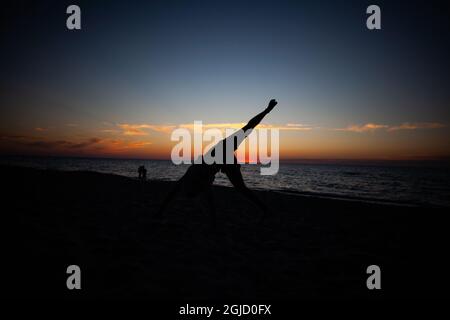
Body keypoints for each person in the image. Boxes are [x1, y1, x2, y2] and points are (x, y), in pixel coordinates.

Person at [157, 99, 278, 223]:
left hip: (215, 158)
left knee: (240, 188)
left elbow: (250, 126)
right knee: (240, 188)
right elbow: (208, 199)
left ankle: (266, 210)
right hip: (209, 165)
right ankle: (266, 210)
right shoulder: (200, 176)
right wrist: (160, 211)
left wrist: (267, 110)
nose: (224, 173)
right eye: (236, 166)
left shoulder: (224, 148)